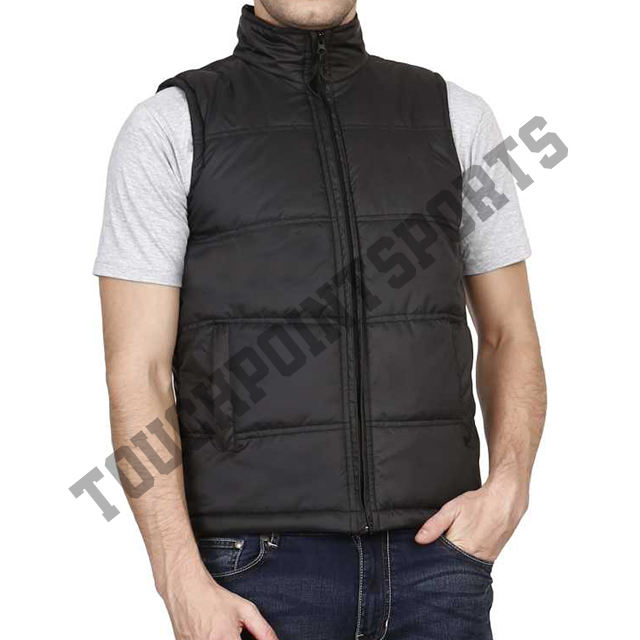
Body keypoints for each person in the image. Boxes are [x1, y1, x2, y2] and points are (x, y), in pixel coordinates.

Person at [95, 2, 546, 638]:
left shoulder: (455, 117)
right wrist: (179, 581)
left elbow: (508, 333)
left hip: (439, 562)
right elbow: (138, 371)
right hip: (254, 573)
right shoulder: (171, 127)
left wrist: (510, 487)